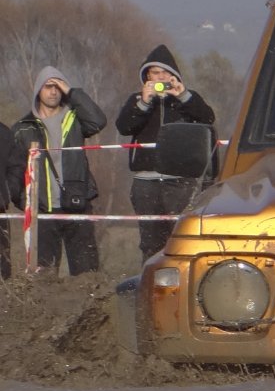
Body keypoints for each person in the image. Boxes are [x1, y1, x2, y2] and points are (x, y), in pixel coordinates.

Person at [115, 44, 217, 262]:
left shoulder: (186, 99)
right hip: (145, 181)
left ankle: (181, 279)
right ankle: (150, 279)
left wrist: (183, 96)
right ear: (146, 76)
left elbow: (208, 118)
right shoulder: (137, 100)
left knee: (181, 238)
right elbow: (124, 127)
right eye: (155, 73)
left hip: (180, 180)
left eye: (165, 73)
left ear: (174, 76)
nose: (161, 77)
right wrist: (144, 102)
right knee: (149, 241)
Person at [9, 66, 107, 274]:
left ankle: (87, 298)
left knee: (87, 274)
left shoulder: (75, 119)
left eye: (58, 87)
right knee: (44, 276)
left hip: (77, 204)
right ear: (38, 90)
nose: (54, 91)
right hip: (42, 210)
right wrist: (26, 201)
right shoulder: (22, 128)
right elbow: (15, 170)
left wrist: (72, 92)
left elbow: (98, 121)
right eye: (48, 86)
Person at [0, 120, 13, 279]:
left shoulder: (4, 133)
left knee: (3, 273)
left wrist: (8, 193)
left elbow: (15, 168)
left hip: (0, 208)